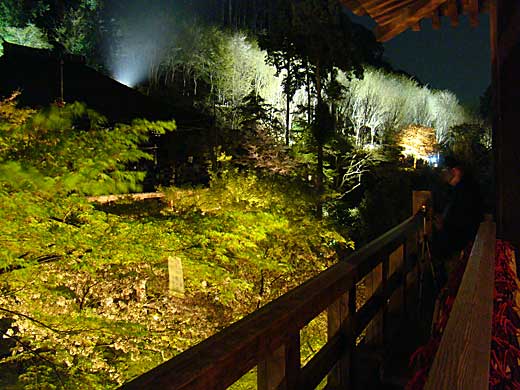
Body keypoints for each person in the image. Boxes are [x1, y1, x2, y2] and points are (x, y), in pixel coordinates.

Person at [432, 157, 483, 284]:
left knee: (456, 281)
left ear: (455, 171)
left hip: (459, 247)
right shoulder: (457, 189)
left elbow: (463, 220)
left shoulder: (464, 192)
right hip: (457, 244)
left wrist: (443, 225)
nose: (442, 174)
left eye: (444, 170)